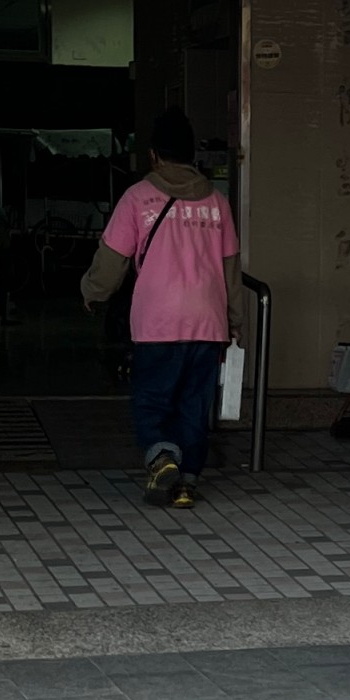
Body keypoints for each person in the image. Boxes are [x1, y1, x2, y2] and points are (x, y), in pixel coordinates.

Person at [82, 109, 242, 507]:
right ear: (191, 154)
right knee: (194, 404)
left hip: (158, 322)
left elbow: (112, 260)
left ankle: (163, 457)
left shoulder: (138, 198)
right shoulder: (218, 203)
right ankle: (187, 481)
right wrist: (235, 320)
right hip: (208, 321)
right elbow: (230, 269)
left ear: (154, 155)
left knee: (153, 398)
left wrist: (92, 292)